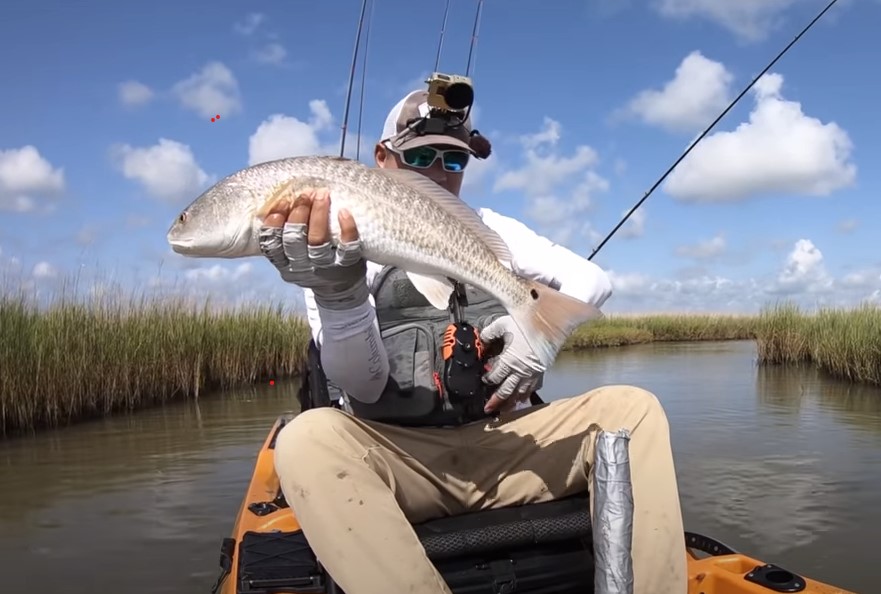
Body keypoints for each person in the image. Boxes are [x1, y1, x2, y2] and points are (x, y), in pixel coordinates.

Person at [257, 88, 687, 594]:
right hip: (407, 461)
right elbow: (363, 386)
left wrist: (538, 338)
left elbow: (592, 281)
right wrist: (339, 294)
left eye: (454, 159)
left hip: (510, 443)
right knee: (308, 438)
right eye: (418, 156)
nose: (439, 172)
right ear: (382, 158)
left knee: (633, 408)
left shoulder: (492, 228)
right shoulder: (329, 246)